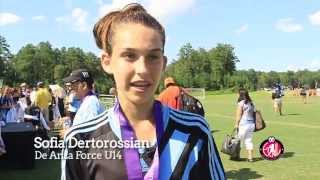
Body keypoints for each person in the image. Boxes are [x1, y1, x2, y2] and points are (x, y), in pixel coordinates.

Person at [61, 3, 225, 180]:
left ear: (163, 63)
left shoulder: (195, 131)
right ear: (107, 62)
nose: (143, 69)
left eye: (153, 57)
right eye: (129, 55)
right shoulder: (80, 140)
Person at [234, 88, 255, 162]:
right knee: (249, 141)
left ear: (240, 94)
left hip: (243, 124)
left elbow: (239, 115)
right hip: (251, 124)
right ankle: (250, 158)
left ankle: (237, 156)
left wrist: (236, 124)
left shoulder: (241, 103)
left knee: (239, 140)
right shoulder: (251, 102)